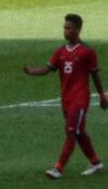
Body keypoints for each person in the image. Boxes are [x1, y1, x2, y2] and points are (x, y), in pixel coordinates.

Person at [23, 14, 108, 179]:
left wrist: (102, 96)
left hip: (80, 98)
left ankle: (58, 168)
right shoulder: (60, 51)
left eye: (68, 28)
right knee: (78, 132)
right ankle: (96, 162)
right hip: (66, 99)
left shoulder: (87, 52)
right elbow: (47, 69)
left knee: (71, 131)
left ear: (77, 29)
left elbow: (95, 76)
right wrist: (32, 71)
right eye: (64, 27)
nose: (65, 30)